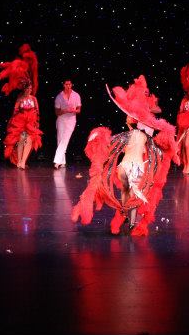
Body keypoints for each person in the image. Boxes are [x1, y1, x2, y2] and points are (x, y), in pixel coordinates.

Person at [71, 76, 179, 236]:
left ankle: (127, 221)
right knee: (130, 195)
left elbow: (157, 116)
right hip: (133, 163)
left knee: (132, 194)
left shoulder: (144, 128)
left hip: (138, 163)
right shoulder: (135, 132)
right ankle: (128, 221)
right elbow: (118, 140)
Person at [4, 81, 42, 169]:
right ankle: (19, 161)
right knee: (21, 140)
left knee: (29, 141)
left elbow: (37, 111)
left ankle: (23, 162)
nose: (29, 90)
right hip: (21, 123)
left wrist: (37, 122)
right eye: (27, 88)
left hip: (31, 123)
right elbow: (15, 110)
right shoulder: (20, 98)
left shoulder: (34, 99)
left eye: (30, 88)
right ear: (24, 89)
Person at [53, 79, 81, 168]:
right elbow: (57, 112)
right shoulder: (59, 96)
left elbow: (79, 110)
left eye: (69, 84)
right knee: (60, 140)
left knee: (65, 139)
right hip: (61, 119)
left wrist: (74, 110)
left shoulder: (76, 95)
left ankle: (57, 161)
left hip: (71, 120)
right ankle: (63, 162)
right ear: (63, 85)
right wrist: (64, 111)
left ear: (71, 85)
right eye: (66, 84)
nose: (68, 86)